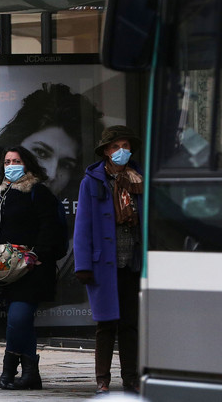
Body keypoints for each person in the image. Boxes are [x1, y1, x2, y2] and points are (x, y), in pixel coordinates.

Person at [0, 83, 105, 305]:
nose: (51, 171)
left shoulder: (65, 223)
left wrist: (36, 256)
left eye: (66, 164)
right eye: (40, 152)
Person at [0, 146, 63, 390]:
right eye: (7, 161)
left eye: (16, 160)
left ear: (27, 164)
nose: (11, 165)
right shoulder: (1, 194)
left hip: (33, 268)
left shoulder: (38, 192)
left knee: (18, 318)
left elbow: (51, 228)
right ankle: (30, 374)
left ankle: (8, 367)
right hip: (7, 269)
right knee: (22, 322)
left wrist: (37, 254)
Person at [73, 125, 144, 395]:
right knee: (105, 324)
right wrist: (83, 265)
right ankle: (102, 380)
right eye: (116, 147)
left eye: (125, 146)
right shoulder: (92, 181)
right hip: (103, 263)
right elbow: (82, 226)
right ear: (105, 151)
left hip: (132, 262)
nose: (121, 151)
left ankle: (131, 378)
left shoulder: (139, 179)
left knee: (130, 323)